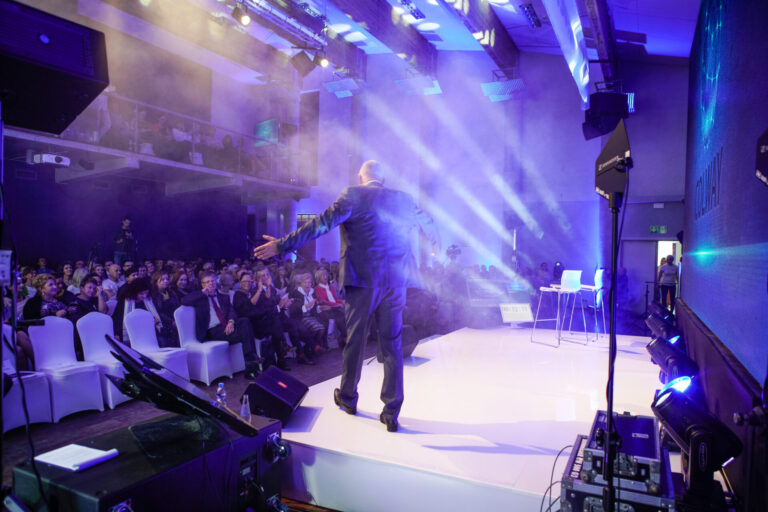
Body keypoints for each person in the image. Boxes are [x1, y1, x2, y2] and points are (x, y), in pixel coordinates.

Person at [254, 160, 439, 432]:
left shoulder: (353, 195)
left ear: (360, 178)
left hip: (361, 282)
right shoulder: (403, 199)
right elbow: (429, 223)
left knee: (355, 340)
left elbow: (319, 225)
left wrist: (282, 245)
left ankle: (349, 398)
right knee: (392, 344)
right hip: (395, 282)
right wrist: (436, 245)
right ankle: (391, 412)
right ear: (383, 180)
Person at [180, 271, 261, 376]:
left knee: (245, 321)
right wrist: (202, 293)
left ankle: (251, 363)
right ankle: (251, 365)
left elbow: (231, 311)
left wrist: (231, 322)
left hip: (225, 326)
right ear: (202, 285)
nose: (211, 283)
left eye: (212, 281)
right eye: (207, 282)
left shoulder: (223, 297)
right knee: (246, 332)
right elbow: (184, 300)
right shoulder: (199, 299)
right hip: (212, 331)